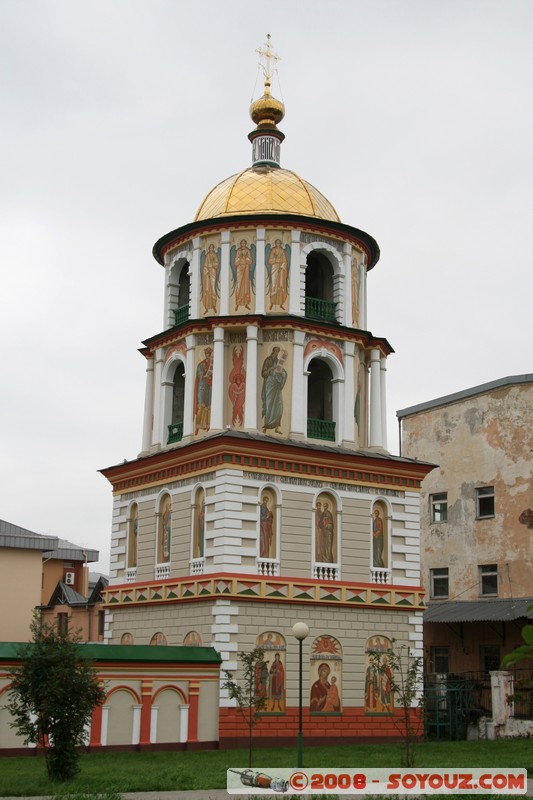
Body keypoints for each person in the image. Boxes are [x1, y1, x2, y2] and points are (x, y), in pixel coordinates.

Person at [261, 347, 287, 433]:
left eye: (278, 352)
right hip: (269, 385)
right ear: (273, 351)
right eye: (276, 351)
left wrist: (283, 373)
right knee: (269, 405)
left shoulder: (278, 361)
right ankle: (266, 426)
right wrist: (272, 369)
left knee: (279, 405)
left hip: (276, 385)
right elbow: (263, 373)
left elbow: (281, 370)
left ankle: (277, 427)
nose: (277, 353)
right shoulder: (267, 360)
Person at [194, 348, 213, 435]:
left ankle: (208, 426)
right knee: (201, 405)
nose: (207, 355)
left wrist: (211, 374)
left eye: (208, 353)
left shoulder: (213, 363)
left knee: (209, 406)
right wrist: (204, 373)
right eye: (206, 353)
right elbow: (199, 375)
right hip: (202, 386)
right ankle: (198, 427)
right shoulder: (201, 364)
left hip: (210, 386)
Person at [267, 239, 289, 310]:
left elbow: (285, 261)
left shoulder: (282, 251)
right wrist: (276, 260)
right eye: (277, 243)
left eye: (279, 243)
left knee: (281, 286)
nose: (278, 244)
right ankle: (272, 303)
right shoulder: (273, 250)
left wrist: (282, 267)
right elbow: (269, 260)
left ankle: (281, 303)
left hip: (281, 269)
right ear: (275, 244)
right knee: (274, 285)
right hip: (274, 268)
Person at [233, 239, 253, 310]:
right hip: (239, 269)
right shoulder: (238, 251)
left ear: (246, 244)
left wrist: (245, 258)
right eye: (242, 243)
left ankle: (246, 303)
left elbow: (250, 260)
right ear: (240, 244)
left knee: (245, 285)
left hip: (246, 268)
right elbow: (235, 262)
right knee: (239, 285)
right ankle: (238, 303)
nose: (243, 244)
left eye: (244, 243)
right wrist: (240, 259)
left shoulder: (248, 251)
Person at [202, 243, 219, 314]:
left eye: (212, 247)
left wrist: (212, 265)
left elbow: (217, 264)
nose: (211, 249)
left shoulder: (215, 255)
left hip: (213, 273)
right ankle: (206, 307)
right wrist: (207, 271)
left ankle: (214, 305)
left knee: (212, 289)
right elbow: (205, 266)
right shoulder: (207, 256)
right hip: (207, 274)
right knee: (207, 290)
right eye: (210, 247)